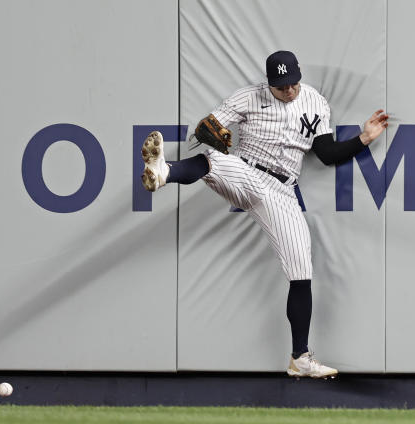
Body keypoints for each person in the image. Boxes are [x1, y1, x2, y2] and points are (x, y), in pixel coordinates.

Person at [140, 50, 389, 379]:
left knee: (301, 269)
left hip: (283, 191)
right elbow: (206, 129)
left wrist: (364, 138)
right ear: (270, 82)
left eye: (293, 83)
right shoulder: (249, 97)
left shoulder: (315, 101)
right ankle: (163, 172)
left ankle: (300, 358)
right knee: (213, 159)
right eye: (281, 85)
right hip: (246, 172)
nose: (289, 90)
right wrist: (211, 129)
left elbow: (327, 154)